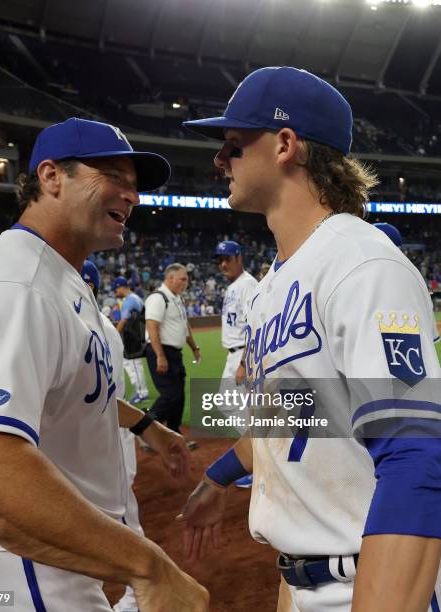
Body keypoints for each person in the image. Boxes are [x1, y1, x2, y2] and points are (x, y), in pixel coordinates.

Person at [178, 67, 441, 611]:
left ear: (284, 145)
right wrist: (217, 478)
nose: (219, 160)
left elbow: (418, 455)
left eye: (232, 145)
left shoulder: (360, 263)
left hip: (367, 581)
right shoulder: (274, 284)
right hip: (303, 581)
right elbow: (295, 415)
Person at [0, 117, 209, 612]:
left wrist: (149, 426)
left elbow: (73, 391)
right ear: (50, 177)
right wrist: (147, 566)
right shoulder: (14, 285)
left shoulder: (56, 278)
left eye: (135, 186)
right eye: (113, 177)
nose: (132, 195)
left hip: (38, 553)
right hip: (12, 558)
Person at [82, 260, 143, 612]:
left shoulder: (100, 330)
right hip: (101, 438)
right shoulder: (88, 324)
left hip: (110, 438)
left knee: (119, 516)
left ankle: (136, 594)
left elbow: (107, 402)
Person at [215, 240, 257, 488]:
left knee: (232, 404)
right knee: (239, 407)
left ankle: (256, 459)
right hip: (235, 354)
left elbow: (255, 324)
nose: (223, 264)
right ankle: (258, 457)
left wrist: (244, 362)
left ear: (239, 258)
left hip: (242, 355)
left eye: (227, 259)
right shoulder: (234, 286)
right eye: (220, 260)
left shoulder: (248, 285)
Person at [145, 263, 200, 443]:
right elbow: (152, 327)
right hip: (161, 351)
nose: (186, 282)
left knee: (179, 395)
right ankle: (146, 430)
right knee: (170, 395)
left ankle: (174, 433)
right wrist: (160, 355)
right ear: (170, 278)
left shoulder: (177, 298)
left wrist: (194, 347)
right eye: (182, 279)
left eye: (187, 279)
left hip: (175, 353)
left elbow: (185, 327)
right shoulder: (158, 298)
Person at [113, 276, 149, 403]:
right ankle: (139, 390)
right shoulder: (134, 298)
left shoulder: (129, 300)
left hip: (133, 336)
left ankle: (142, 393)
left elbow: (123, 320)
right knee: (130, 363)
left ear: (121, 287)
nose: (115, 293)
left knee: (134, 364)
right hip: (136, 335)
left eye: (116, 290)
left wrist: (114, 334)